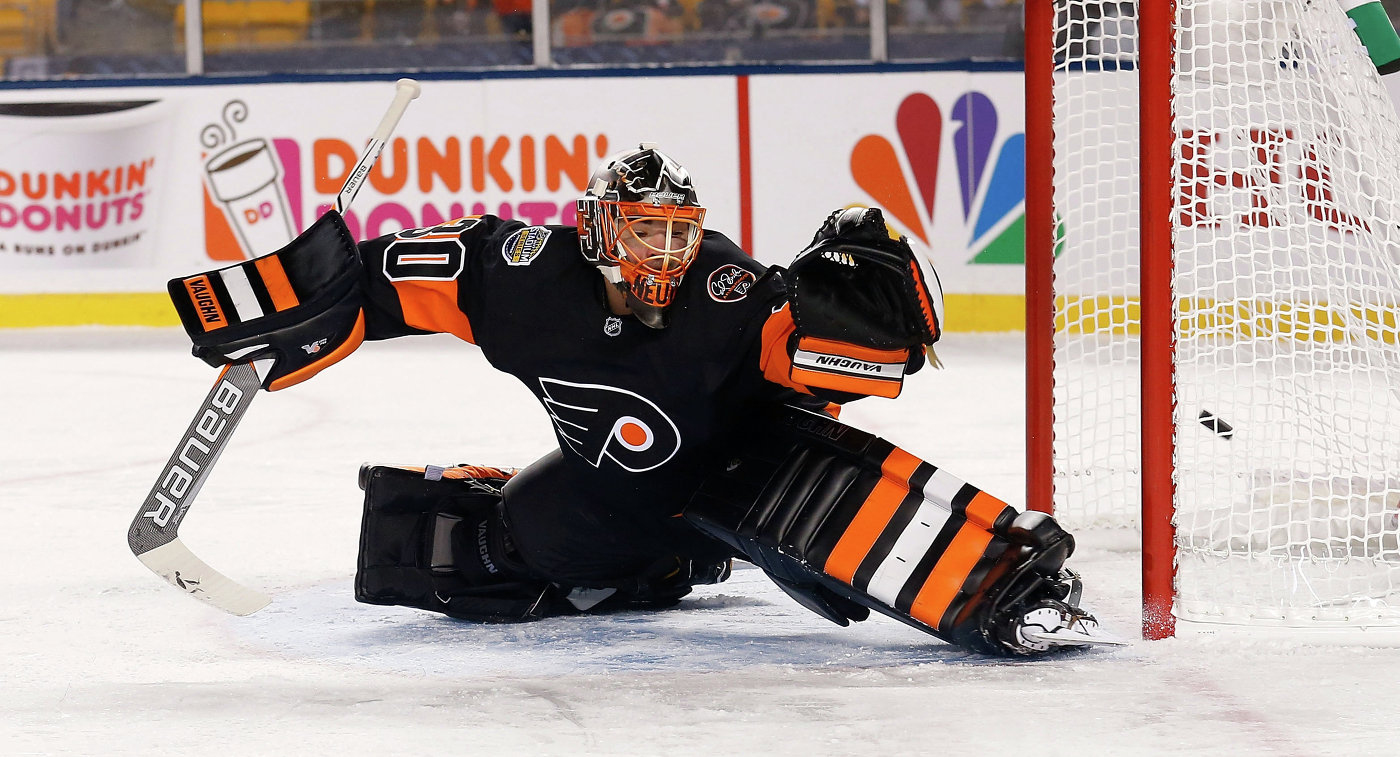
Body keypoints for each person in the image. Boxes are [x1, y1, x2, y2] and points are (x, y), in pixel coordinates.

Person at [167, 143, 1113, 655]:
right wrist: (305, 303)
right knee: (465, 552)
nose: (668, 253)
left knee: (830, 502)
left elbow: (825, 354)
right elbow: (388, 275)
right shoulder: (522, 276)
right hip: (612, 497)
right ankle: (652, 571)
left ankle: (1008, 582)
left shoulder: (729, 289)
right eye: (646, 232)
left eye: (679, 233)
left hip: (746, 474)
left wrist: (871, 310)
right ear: (597, 228)